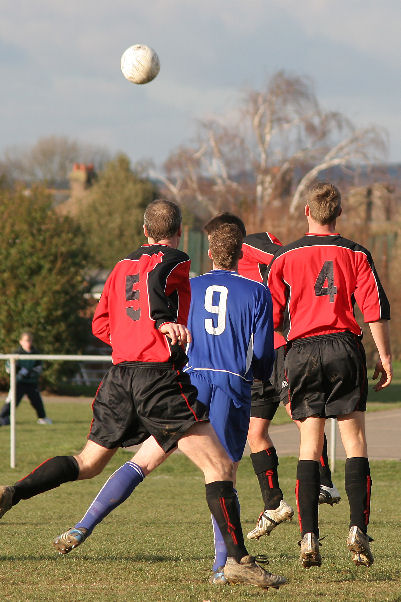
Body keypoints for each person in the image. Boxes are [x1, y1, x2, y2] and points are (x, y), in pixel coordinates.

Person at [0, 200, 286, 590]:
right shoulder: (178, 259)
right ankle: (236, 562)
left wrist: (132, 338)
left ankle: (12, 493)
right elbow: (158, 280)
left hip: (120, 377)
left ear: (143, 230)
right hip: (158, 378)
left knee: (88, 463)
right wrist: (162, 322)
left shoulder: (119, 267)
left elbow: (101, 324)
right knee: (220, 468)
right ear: (179, 231)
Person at [266, 181, 392, 568]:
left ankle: (309, 538)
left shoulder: (284, 256)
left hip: (301, 351)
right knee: (354, 440)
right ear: (339, 215)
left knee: (309, 444)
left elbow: (271, 321)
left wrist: (281, 372)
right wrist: (385, 356)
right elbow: (373, 309)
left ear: (307, 213)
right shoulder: (355, 252)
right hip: (343, 346)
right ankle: (357, 528)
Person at [204, 213, 340, 543]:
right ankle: (274, 504)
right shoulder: (225, 268)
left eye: (213, 239)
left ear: (226, 235)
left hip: (279, 346)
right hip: (251, 358)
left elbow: (286, 257)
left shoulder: (255, 244)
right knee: (256, 430)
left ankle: (323, 479)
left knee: (300, 415)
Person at [0, 331, 52, 426]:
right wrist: (20, 372)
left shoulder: (36, 353)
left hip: (31, 382)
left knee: (37, 401)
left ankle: (42, 418)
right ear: (21, 341)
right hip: (19, 382)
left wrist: (29, 373)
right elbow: (10, 367)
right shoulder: (16, 353)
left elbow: (38, 368)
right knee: (12, 401)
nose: (29, 342)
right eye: (26, 340)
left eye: (30, 340)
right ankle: (3, 417)